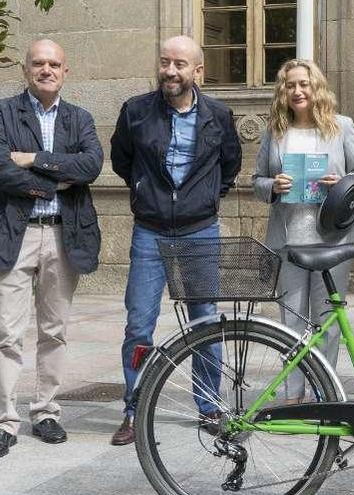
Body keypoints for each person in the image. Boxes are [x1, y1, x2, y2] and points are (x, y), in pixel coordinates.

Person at [109, 36, 242, 445]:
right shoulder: (135, 111)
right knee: (139, 324)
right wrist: (147, 192)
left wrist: (199, 201)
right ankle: (134, 408)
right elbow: (121, 160)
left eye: (180, 64)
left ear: (197, 71)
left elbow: (230, 165)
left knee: (205, 320)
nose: (170, 70)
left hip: (200, 230)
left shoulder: (219, 115)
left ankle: (209, 406)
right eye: (165, 62)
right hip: (149, 231)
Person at [0, 39, 103, 459]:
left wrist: (31, 158)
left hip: (63, 235)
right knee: (6, 333)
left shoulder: (79, 118)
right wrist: (53, 180)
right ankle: (4, 422)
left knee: (54, 331)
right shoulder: (0, 113)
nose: (46, 69)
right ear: (26, 69)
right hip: (16, 233)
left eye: (54, 64)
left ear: (66, 71)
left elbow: (90, 166)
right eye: (38, 63)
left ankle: (46, 412)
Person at [252, 59, 354, 402]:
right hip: (288, 238)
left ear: (315, 87)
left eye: (303, 84)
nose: (297, 91)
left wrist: (343, 182)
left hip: (332, 237)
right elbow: (255, 181)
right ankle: (293, 391)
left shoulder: (341, 126)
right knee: (290, 318)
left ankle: (325, 392)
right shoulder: (274, 132)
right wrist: (273, 184)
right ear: (283, 91)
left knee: (327, 320)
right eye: (290, 85)